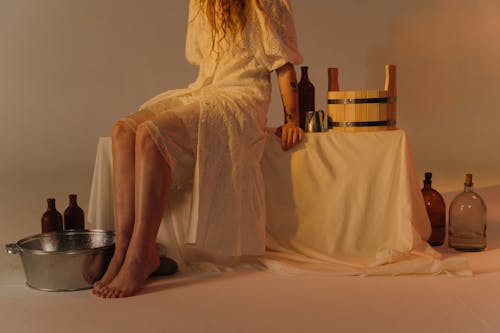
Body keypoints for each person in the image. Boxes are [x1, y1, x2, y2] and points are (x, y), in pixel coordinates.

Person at [92, 0, 304, 298]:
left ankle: (142, 254)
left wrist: (292, 119)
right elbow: (203, 62)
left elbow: (284, 65)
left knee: (152, 136)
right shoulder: (201, 2)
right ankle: (124, 249)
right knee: (123, 131)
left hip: (242, 99)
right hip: (205, 89)